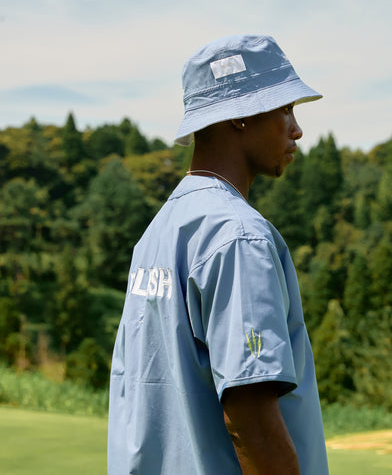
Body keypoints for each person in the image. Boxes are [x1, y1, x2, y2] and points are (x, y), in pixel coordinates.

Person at [107, 34, 330, 475]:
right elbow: (252, 422)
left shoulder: (158, 232)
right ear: (241, 116)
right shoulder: (239, 236)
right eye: (284, 108)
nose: (297, 129)